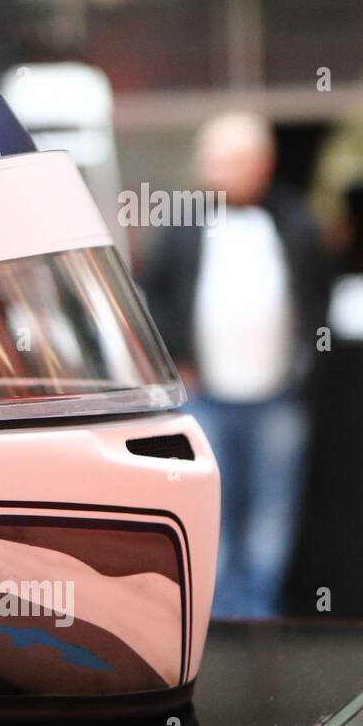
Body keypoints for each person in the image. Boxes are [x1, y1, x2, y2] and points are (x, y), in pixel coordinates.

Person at [142, 111, 333, 618]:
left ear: (261, 164)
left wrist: (308, 359)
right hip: (205, 397)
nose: (210, 168)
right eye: (208, 157)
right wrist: (176, 359)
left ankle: (260, 611)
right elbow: (154, 295)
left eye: (224, 159)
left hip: (279, 396)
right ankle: (220, 616)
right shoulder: (182, 218)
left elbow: (318, 288)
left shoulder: (293, 217)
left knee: (273, 511)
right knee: (213, 510)